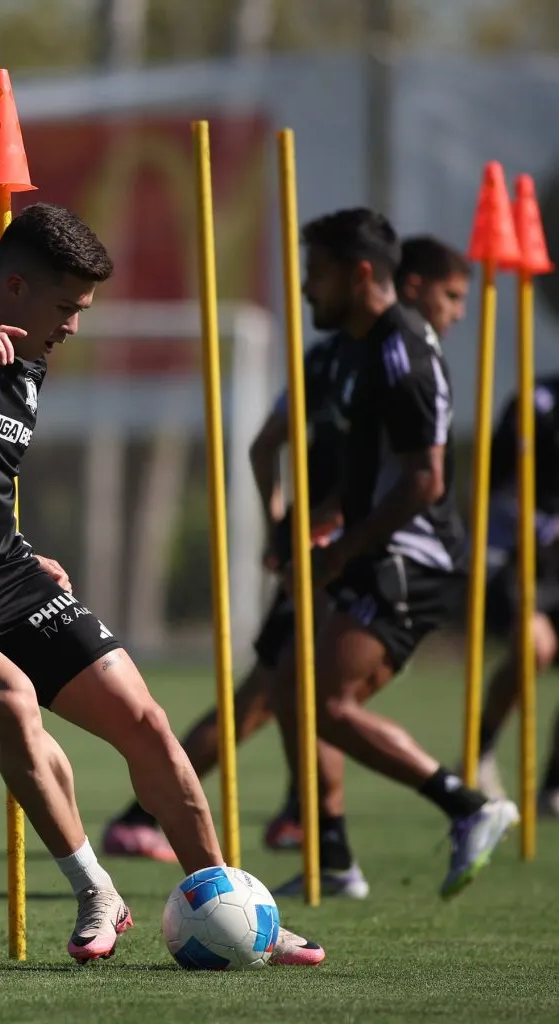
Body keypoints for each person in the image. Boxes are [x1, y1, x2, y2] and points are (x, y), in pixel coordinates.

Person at [0, 202, 324, 966]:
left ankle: (235, 902)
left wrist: (25, 549)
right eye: (66, 307)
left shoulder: (31, 357)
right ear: (17, 287)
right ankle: (98, 891)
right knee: (9, 700)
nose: (73, 326)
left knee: (148, 722)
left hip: (7, 575)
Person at [102, 234, 473, 860]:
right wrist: (307, 533)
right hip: (340, 550)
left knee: (297, 692)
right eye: (452, 295)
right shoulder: (380, 359)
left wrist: (284, 526)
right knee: (281, 696)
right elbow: (390, 474)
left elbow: (264, 446)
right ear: (408, 286)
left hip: (325, 542)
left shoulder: (339, 357)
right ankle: (162, 815)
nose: (459, 311)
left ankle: (313, 827)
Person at [268, 208, 518, 901]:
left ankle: (469, 807)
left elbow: (421, 481)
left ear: (361, 274)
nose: (305, 289)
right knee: (289, 685)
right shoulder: (357, 347)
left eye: (314, 274)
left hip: (412, 560)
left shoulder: (398, 352)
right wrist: (310, 532)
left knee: (329, 701)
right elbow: (367, 473)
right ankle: (334, 857)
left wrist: (337, 551)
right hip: (370, 549)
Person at [469, 376, 559, 815]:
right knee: (534, 647)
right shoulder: (535, 402)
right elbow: (492, 486)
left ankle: (554, 786)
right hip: (520, 553)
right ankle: (480, 753)